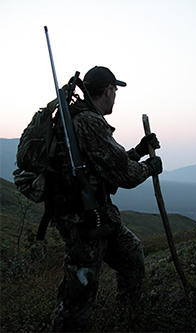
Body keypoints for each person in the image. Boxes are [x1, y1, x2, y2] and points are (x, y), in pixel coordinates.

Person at [52, 66, 163, 332]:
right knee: (80, 291)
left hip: (99, 214)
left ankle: (125, 320)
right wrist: (150, 167)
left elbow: (107, 165)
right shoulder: (89, 121)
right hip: (82, 220)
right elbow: (124, 175)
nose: (116, 96)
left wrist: (137, 151)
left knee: (131, 255)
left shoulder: (84, 119)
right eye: (115, 90)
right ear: (108, 90)